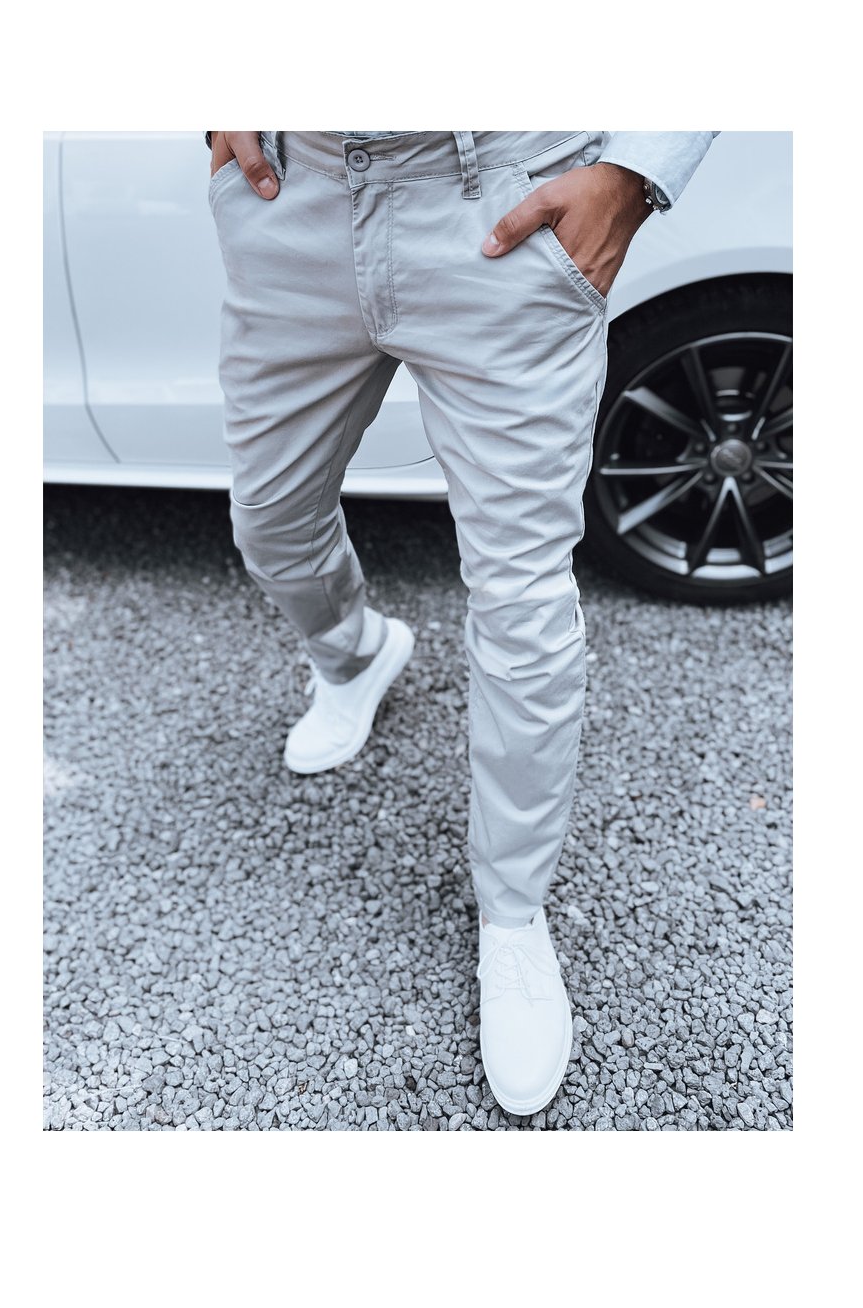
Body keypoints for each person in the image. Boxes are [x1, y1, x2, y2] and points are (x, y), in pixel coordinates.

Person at [207, 130, 716, 1119]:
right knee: (268, 519)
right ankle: (355, 655)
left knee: (523, 597)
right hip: (296, 192)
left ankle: (513, 914)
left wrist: (636, 171)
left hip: (502, 198)